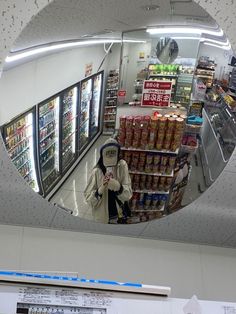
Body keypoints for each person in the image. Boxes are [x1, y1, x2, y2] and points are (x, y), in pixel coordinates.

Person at [84, 138, 132, 224]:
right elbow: (89, 201)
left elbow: (128, 195)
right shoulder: (96, 171)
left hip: (119, 216)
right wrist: (99, 191)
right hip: (102, 219)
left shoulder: (122, 166)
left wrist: (118, 187)